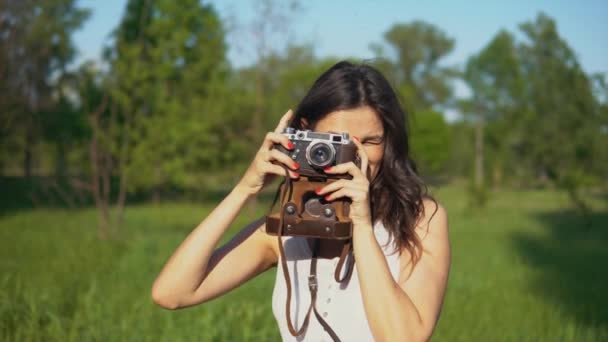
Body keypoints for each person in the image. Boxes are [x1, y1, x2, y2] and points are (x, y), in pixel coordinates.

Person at [151, 61, 451, 341]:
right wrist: (245, 188)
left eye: (371, 141)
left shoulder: (420, 219)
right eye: (339, 142)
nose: (356, 156)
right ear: (305, 135)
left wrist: (360, 224)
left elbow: (404, 337)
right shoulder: (288, 228)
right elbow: (172, 293)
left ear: (390, 142)